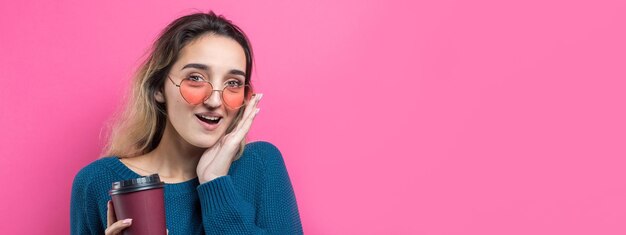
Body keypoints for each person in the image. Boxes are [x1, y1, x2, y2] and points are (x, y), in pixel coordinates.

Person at [70, 11, 303, 235]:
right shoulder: (97, 181)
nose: (214, 100)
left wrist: (215, 182)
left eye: (233, 83)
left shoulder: (259, 164)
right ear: (159, 87)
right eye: (195, 78)